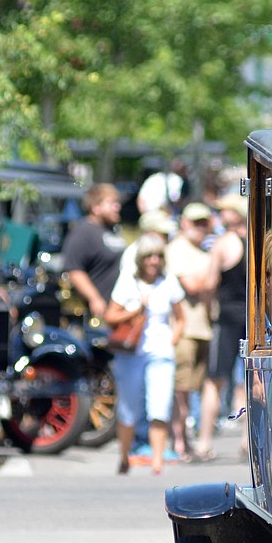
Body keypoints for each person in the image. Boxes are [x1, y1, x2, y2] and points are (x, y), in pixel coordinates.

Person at [103, 233, 185, 475]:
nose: (154, 261)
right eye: (149, 256)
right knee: (129, 408)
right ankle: (124, 455)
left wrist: (172, 340)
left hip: (160, 352)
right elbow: (110, 316)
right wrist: (136, 310)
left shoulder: (169, 281)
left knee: (159, 406)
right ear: (140, 259)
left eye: (158, 256)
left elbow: (181, 318)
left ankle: (157, 460)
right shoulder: (128, 281)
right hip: (131, 352)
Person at [193, 195, 249, 461]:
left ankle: (204, 442)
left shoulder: (223, 244)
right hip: (251, 318)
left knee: (214, 382)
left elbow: (208, 283)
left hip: (226, 318)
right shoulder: (257, 241)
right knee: (253, 381)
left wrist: (207, 309)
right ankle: (248, 442)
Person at [165, 202, 216, 460]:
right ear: (184, 222)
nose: (200, 228)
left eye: (204, 222)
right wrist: (213, 275)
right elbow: (193, 286)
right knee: (180, 390)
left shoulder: (204, 252)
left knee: (193, 389)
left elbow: (204, 286)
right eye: (195, 222)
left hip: (204, 327)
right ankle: (178, 443)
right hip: (184, 329)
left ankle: (185, 440)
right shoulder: (177, 249)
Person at [62, 183, 127, 320]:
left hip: (118, 309)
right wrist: (94, 298)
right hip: (98, 313)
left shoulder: (112, 230)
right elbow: (74, 270)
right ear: (96, 207)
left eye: (117, 203)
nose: (117, 207)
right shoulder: (83, 232)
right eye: (111, 203)